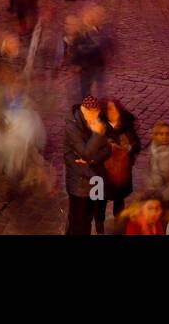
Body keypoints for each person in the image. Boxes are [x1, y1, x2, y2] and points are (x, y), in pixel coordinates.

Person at [64, 96, 111, 235]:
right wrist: (97, 134)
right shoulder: (72, 126)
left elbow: (108, 150)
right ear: (85, 111)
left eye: (98, 114)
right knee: (77, 222)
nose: (96, 118)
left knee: (88, 219)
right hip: (79, 182)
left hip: (95, 178)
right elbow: (85, 153)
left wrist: (92, 160)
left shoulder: (97, 120)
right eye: (93, 114)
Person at [103, 99, 142, 224]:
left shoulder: (126, 125)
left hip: (121, 171)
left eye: (114, 108)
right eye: (108, 109)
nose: (112, 112)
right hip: (104, 172)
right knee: (101, 200)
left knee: (119, 201)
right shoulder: (101, 127)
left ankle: (118, 224)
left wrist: (129, 148)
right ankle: (99, 225)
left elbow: (137, 145)